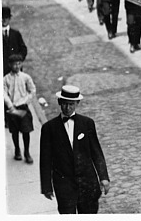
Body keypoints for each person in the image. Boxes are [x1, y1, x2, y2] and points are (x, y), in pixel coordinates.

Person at [40, 85, 111, 214]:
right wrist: (46, 186)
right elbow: (45, 160)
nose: (68, 108)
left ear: (77, 103)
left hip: (87, 184)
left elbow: (96, 152)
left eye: (71, 104)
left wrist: (104, 177)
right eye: (65, 104)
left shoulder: (87, 123)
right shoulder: (49, 128)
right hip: (64, 185)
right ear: (59, 102)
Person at [4, 53, 36, 163]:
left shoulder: (25, 77)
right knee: (15, 131)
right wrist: (10, 105)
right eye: (14, 64)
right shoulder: (6, 79)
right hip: (12, 108)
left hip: (23, 107)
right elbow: (3, 93)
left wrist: (26, 100)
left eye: (19, 64)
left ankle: (27, 152)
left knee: (26, 131)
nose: (17, 66)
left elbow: (32, 90)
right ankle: (17, 150)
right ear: (9, 65)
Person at [2, 6, 28, 76]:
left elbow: (23, 49)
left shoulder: (15, 34)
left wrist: (17, 60)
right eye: (2, 18)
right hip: (1, 70)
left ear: (9, 19)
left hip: (15, 70)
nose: (4, 20)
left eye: (6, 18)